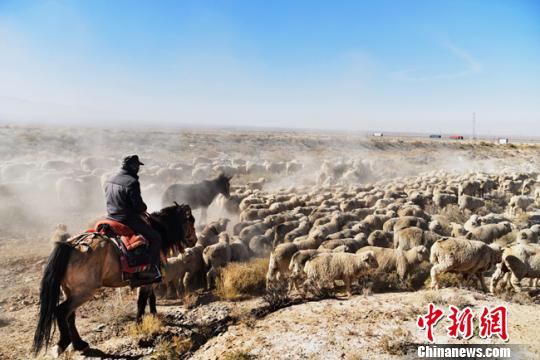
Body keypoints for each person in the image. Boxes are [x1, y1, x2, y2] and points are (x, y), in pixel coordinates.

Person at [104, 155, 162, 284]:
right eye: (137, 166)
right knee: (156, 237)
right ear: (133, 166)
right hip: (127, 220)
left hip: (110, 217)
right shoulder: (132, 182)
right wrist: (144, 207)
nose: (138, 169)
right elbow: (138, 206)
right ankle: (151, 271)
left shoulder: (109, 178)